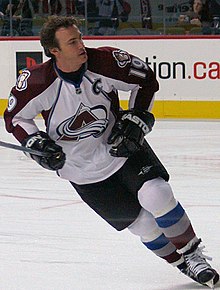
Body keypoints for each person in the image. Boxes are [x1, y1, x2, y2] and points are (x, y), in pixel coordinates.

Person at [3, 15, 219, 288]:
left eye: (80, 37)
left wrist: (138, 117)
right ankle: (180, 264)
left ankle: (193, 254)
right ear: (54, 51)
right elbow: (15, 119)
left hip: (120, 147)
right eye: (72, 42)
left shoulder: (106, 62)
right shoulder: (36, 82)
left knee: (157, 194)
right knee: (142, 225)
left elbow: (146, 80)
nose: (81, 44)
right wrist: (35, 143)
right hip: (80, 170)